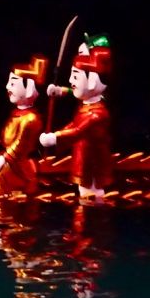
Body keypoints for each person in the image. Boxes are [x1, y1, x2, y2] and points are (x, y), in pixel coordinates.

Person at [40, 33, 113, 203]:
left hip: (93, 161)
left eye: (75, 76)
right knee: (85, 191)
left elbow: (78, 130)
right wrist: (61, 91)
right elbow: (75, 122)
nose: (71, 80)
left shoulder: (97, 113)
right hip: (83, 157)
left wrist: (55, 137)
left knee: (93, 193)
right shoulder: (85, 105)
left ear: (92, 81)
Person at [0, 54, 47, 196]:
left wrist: (5, 157)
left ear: (29, 89)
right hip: (8, 163)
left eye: (13, 83)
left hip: (20, 166)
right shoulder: (16, 114)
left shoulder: (31, 119)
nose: (7, 87)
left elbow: (21, 145)